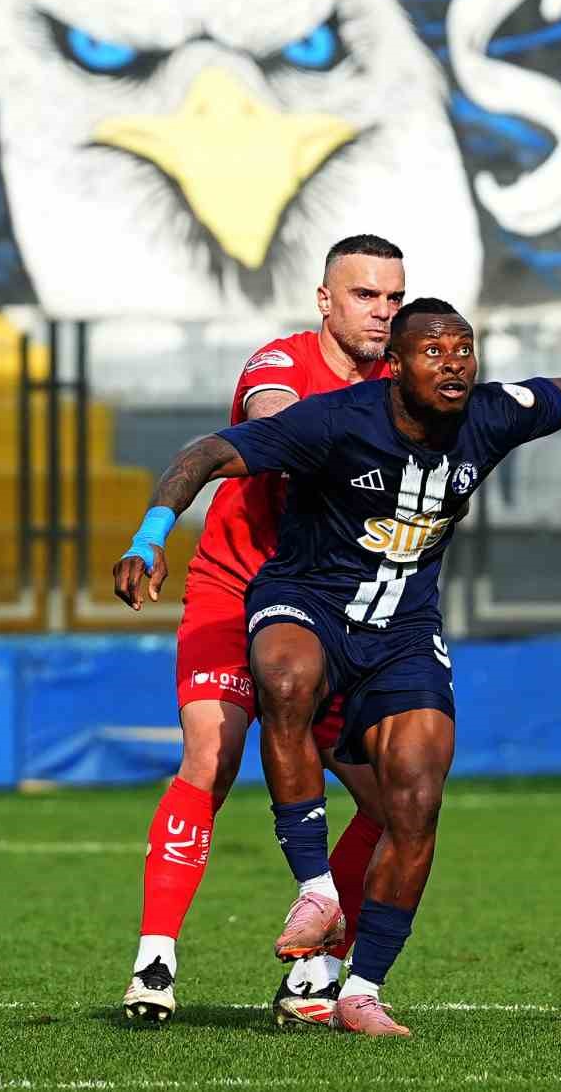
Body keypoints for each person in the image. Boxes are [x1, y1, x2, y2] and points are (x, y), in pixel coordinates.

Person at [115, 297, 561, 1036]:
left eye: (464, 349)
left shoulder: (493, 412)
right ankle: (313, 890)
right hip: (308, 600)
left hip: (404, 631)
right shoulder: (339, 420)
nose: (453, 364)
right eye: (434, 352)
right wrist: (153, 535)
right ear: (398, 366)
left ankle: (360, 989)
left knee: (415, 795)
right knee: (284, 680)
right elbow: (208, 453)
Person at [111, 233, 405, 1028]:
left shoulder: (403, 384)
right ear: (324, 301)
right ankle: (155, 959)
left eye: (392, 298)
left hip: (331, 609)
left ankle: (313, 969)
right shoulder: (277, 365)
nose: (380, 312)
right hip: (234, 588)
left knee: (391, 799)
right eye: (363, 295)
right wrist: (150, 535)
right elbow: (274, 422)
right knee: (211, 752)